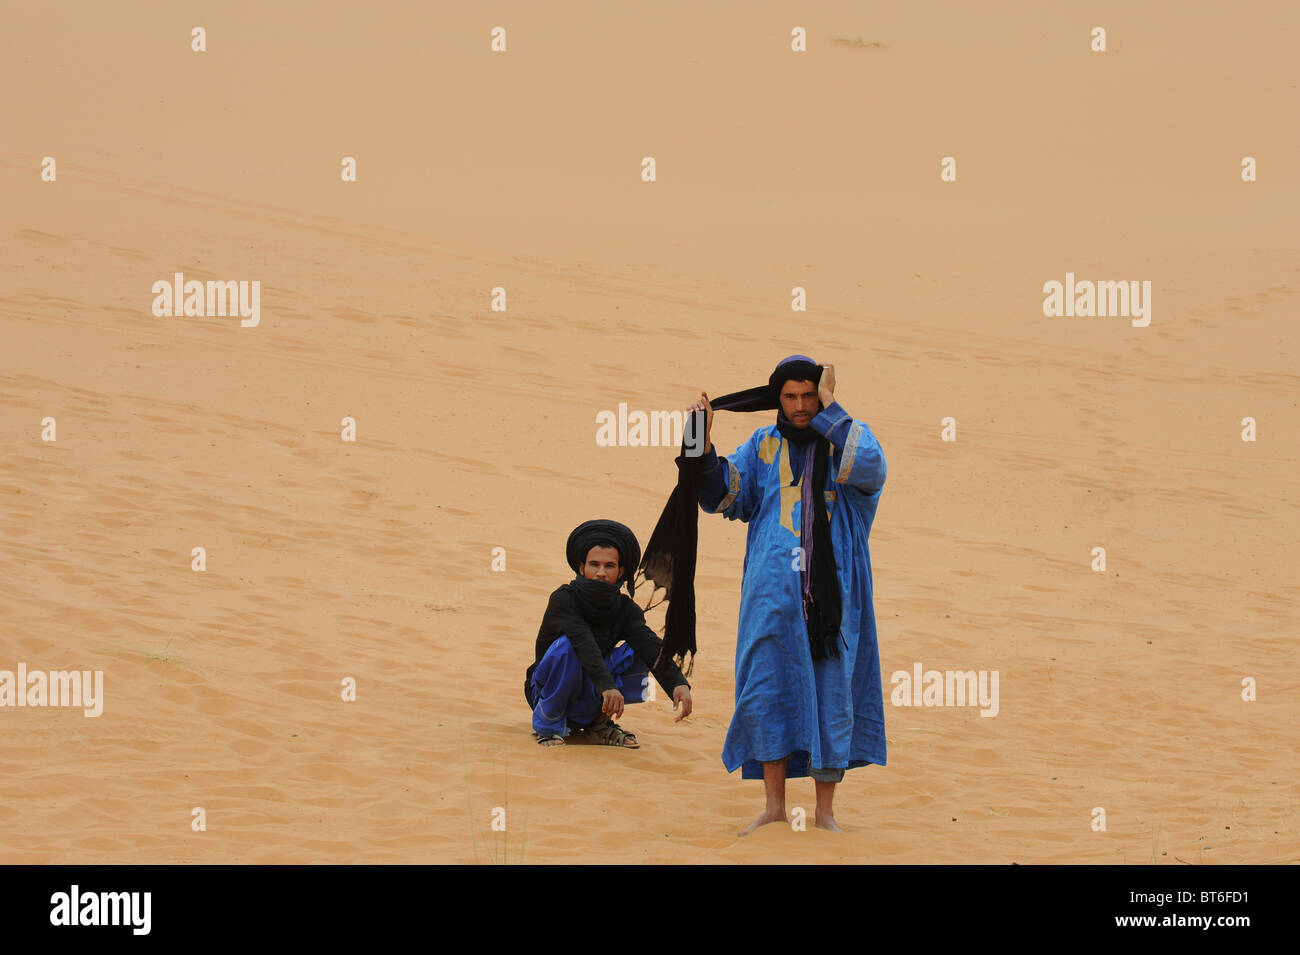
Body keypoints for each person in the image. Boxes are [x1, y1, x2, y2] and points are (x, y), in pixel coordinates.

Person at [681, 355, 887, 834]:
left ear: (822, 396)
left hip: (833, 600)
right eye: (791, 397)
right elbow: (724, 496)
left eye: (809, 396)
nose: (800, 406)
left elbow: (874, 468)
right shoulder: (763, 444)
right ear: (777, 398)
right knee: (767, 691)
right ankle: (773, 809)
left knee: (830, 694)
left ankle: (825, 813)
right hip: (770, 596)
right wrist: (700, 439)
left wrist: (833, 411)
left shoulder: (847, 444)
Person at [525, 519, 693, 747]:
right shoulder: (564, 599)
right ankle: (548, 726)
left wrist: (677, 682)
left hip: (595, 694)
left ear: (621, 571)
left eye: (609, 566)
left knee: (637, 650)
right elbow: (582, 641)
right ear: (581, 567)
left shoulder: (625, 609)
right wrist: (607, 686)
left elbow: (649, 644)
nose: (601, 573)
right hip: (547, 692)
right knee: (568, 647)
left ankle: (598, 724)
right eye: (594, 564)